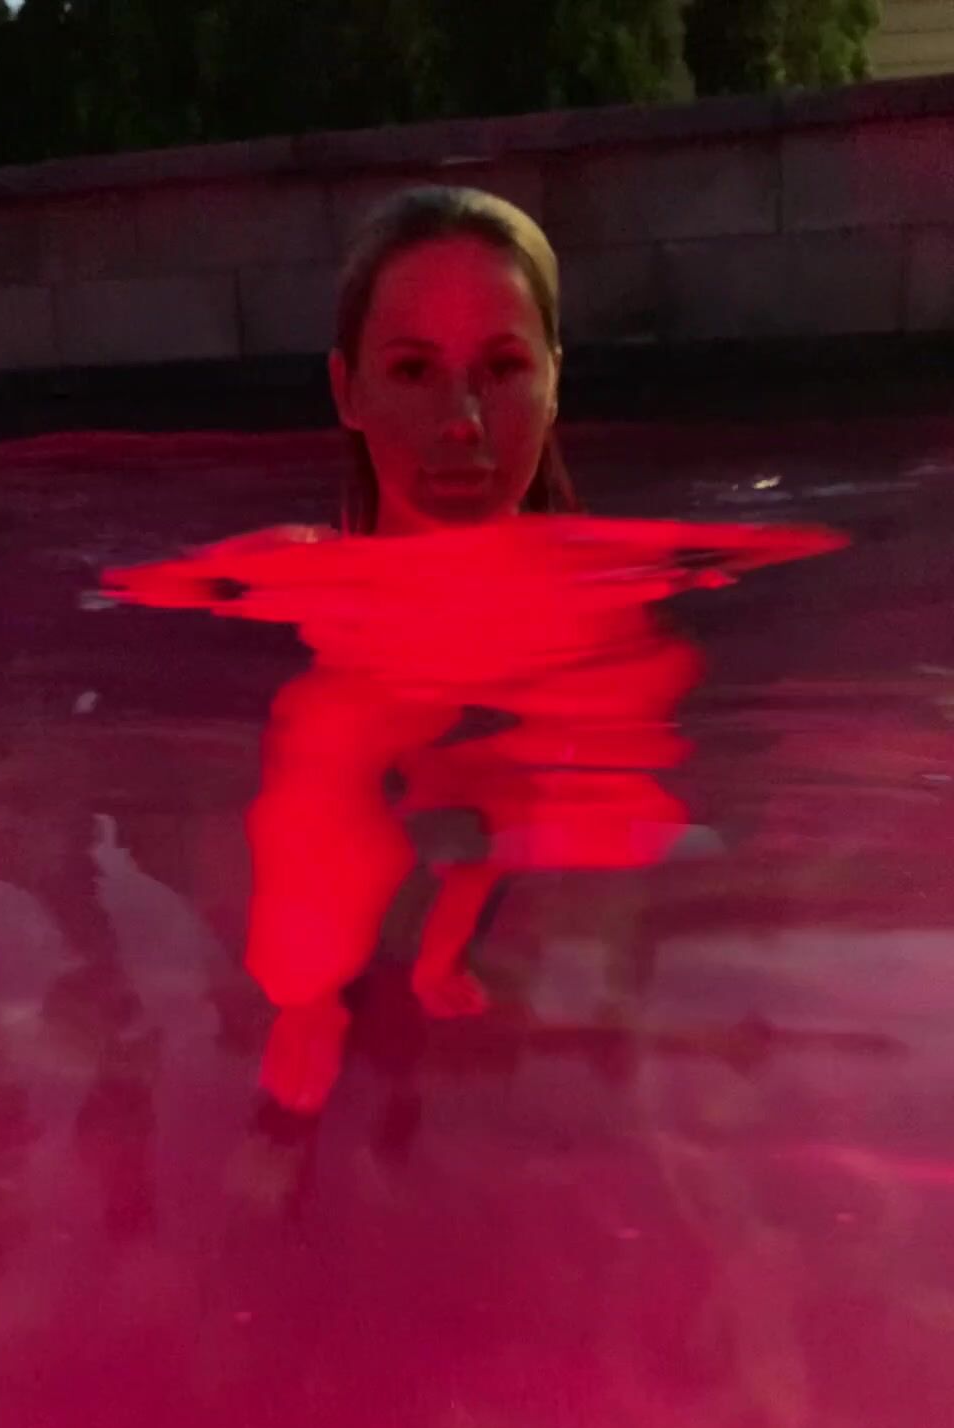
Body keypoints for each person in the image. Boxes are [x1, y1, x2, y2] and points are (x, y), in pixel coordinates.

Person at [104, 185, 846, 1116]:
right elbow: (133, 591)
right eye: (414, 370)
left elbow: (789, 554)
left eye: (500, 368)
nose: (462, 421)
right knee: (324, 751)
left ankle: (446, 958)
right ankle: (310, 1004)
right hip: (389, 703)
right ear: (347, 390)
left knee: (577, 761)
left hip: (541, 722)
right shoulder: (304, 564)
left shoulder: (608, 564)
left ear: (553, 379)